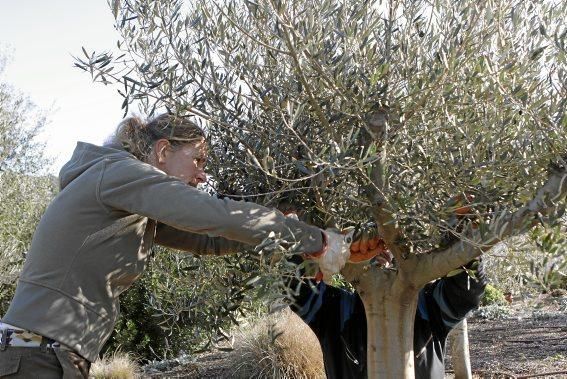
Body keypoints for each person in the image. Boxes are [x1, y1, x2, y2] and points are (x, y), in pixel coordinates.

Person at [0, 114, 364, 378]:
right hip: (38, 358)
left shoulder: (127, 195)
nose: (203, 174)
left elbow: (207, 239)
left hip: (44, 356)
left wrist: (283, 226)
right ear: (162, 151)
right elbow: (214, 216)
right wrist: (318, 240)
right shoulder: (121, 174)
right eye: (197, 159)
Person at [291, 253, 487, 379]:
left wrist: (460, 230)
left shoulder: (427, 306)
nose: (381, 253)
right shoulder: (336, 310)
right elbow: (291, 284)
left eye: (387, 245)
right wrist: (307, 238)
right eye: (370, 245)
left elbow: (468, 288)